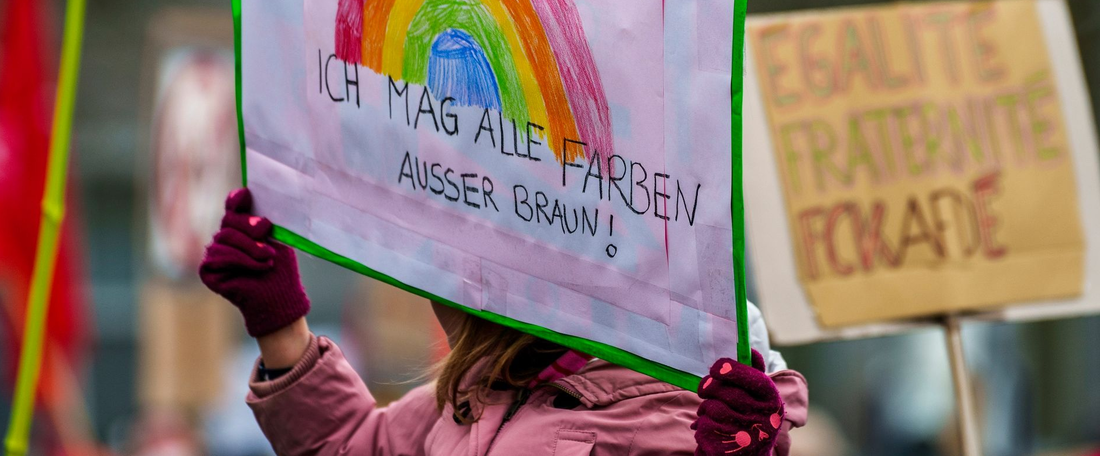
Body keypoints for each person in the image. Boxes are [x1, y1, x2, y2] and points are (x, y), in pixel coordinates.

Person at [200, 189, 808, 456]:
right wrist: (280, 325)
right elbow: (347, 447)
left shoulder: (670, 409)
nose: (437, 292)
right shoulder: (473, 396)